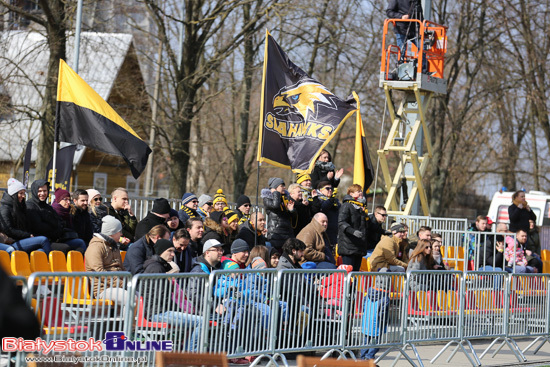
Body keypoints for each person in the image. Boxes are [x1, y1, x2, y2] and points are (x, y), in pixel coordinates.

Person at [0, 178, 51, 254]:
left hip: (21, 240)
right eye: (21, 193)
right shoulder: (5, 209)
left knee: (40, 251)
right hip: (12, 242)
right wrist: (27, 235)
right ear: (14, 194)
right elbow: (9, 230)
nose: (23, 196)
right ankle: (50, 265)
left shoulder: (20, 207)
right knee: (43, 240)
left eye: (24, 193)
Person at [84, 216, 128, 301]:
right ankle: (127, 315)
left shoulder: (113, 246)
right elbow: (99, 271)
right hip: (103, 289)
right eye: (119, 232)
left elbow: (121, 268)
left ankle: (132, 315)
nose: (121, 234)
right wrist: (121, 283)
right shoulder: (96, 246)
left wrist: (130, 280)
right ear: (112, 233)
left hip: (117, 286)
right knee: (130, 298)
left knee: (141, 295)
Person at [337, 184, 368, 271]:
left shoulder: (360, 208)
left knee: (355, 274)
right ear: (351, 194)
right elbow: (341, 222)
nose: (361, 193)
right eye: (358, 191)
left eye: (361, 191)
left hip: (358, 247)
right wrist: (353, 231)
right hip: (348, 246)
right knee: (348, 273)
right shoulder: (347, 205)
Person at [262, 177, 296, 251]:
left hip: (287, 233)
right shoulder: (267, 198)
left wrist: (291, 210)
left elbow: (292, 218)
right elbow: (276, 206)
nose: (284, 187)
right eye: (282, 186)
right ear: (275, 187)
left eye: (284, 185)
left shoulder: (285, 198)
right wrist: (276, 193)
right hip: (276, 233)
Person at [311, 181, 340, 246]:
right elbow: (322, 210)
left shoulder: (334, 200)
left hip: (334, 232)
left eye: (331, 189)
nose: (330, 190)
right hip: (324, 232)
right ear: (320, 190)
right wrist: (330, 200)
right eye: (327, 188)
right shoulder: (317, 199)